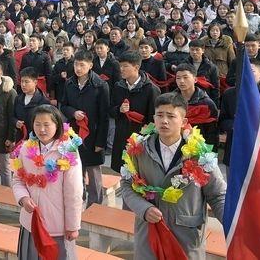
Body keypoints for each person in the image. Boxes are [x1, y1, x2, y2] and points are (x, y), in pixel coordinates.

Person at [121, 93, 226, 259]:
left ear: (183, 122)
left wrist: (232, 224)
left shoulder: (200, 154)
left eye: (171, 116)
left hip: (185, 237)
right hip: (150, 234)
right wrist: (144, 208)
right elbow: (127, 186)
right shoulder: (138, 149)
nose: (164, 121)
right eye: (160, 115)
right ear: (153, 118)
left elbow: (218, 194)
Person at [11, 105, 84, 259]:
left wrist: (72, 226)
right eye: (37, 124)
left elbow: (74, 193)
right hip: (30, 223)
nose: (42, 129)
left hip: (57, 227)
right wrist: (23, 198)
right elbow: (18, 179)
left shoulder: (67, 151)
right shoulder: (25, 148)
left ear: (57, 125)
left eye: (46, 124)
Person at [60, 50, 110, 207]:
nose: (78, 68)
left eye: (82, 65)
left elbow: (104, 117)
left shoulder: (100, 86)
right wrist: (73, 113)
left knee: (93, 173)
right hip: (74, 134)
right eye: (76, 64)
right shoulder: (69, 84)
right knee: (75, 170)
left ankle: (95, 206)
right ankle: (76, 201)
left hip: (93, 134)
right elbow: (63, 105)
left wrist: (101, 142)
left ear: (90, 65)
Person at [110, 51, 161, 172]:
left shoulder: (151, 89)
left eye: (125, 66)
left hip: (141, 138)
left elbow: (153, 120)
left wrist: (143, 138)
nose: (121, 69)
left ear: (136, 67)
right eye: (120, 66)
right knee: (121, 171)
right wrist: (119, 110)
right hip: (122, 135)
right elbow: (110, 110)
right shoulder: (118, 86)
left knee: (139, 173)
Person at [174, 64, 219, 150]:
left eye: (185, 77)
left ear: (195, 79)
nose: (181, 81)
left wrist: (210, 154)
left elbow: (212, 134)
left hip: (199, 149)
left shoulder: (207, 104)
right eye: (178, 78)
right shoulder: (170, 101)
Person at [14, 67, 50, 142]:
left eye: (26, 82)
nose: (23, 85)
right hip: (20, 139)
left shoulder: (43, 101)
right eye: (22, 81)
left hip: (36, 140)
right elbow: (12, 116)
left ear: (35, 82)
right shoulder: (18, 99)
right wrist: (16, 122)